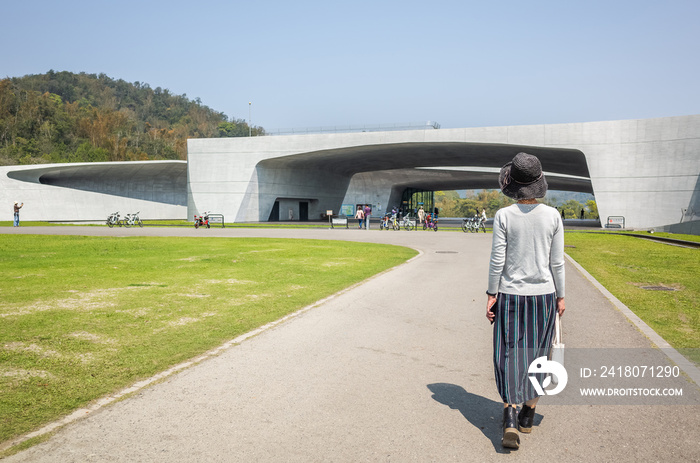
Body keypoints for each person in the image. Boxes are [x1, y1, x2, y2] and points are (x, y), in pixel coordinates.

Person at [485, 152, 565, 450]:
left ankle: (509, 415)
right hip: (543, 296)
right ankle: (528, 415)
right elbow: (557, 263)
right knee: (539, 355)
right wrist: (561, 295)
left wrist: (491, 294)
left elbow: (497, 261)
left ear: (514, 184)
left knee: (508, 353)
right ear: (538, 183)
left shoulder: (504, 216)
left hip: (510, 295)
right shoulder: (553, 216)